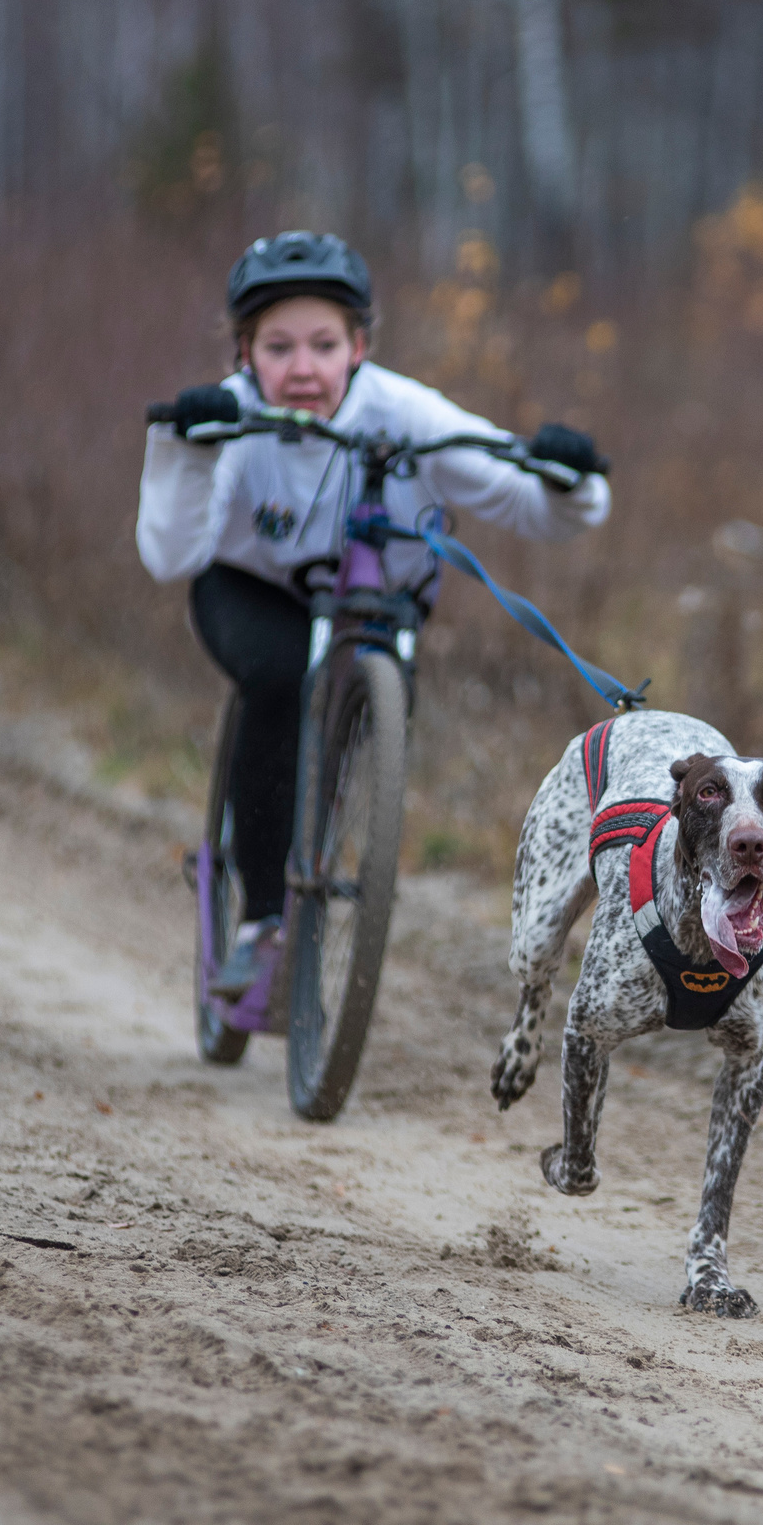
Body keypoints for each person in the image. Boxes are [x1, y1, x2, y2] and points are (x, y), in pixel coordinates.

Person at [137, 231, 610, 998]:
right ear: (244, 351)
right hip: (245, 587)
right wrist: (187, 451)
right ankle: (260, 919)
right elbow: (168, 554)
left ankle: (336, 825)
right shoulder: (229, 419)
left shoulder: (405, 412)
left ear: (359, 346)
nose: (301, 368)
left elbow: (533, 500)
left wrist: (569, 478)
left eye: (323, 344)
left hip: (374, 598)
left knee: (364, 713)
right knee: (281, 678)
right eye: (278, 347)